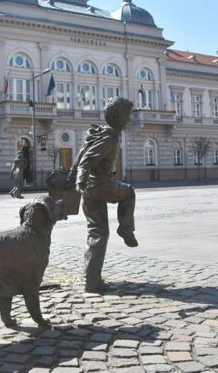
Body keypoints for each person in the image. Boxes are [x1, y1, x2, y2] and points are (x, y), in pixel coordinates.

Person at [68, 97, 137, 293]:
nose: (129, 120)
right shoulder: (109, 138)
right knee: (129, 193)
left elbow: (82, 157)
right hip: (100, 184)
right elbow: (87, 160)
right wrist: (79, 180)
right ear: (120, 117)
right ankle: (126, 230)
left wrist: (77, 180)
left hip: (90, 188)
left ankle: (92, 280)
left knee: (98, 232)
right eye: (127, 116)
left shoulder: (100, 135)